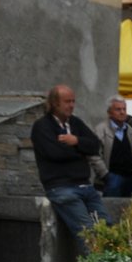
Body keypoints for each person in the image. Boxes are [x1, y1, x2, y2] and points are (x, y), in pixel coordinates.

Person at [30, 85, 110, 253]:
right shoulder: (42, 126)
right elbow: (55, 153)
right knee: (88, 232)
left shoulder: (75, 123)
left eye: (73, 101)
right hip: (61, 187)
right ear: (54, 103)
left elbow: (95, 145)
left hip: (85, 186)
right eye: (67, 101)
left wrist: (76, 142)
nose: (71, 105)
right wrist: (81, 151)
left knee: (107, 227)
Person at [96, 97, 132, 198]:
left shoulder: (129, 129)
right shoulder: (101, 129)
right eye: (118, 109)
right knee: (111, 209)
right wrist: (105, 174)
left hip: (130, 177)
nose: (122, 112)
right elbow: (95, 155)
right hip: (112, 177)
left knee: (127, 211)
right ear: (109, 112)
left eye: (124, 109)